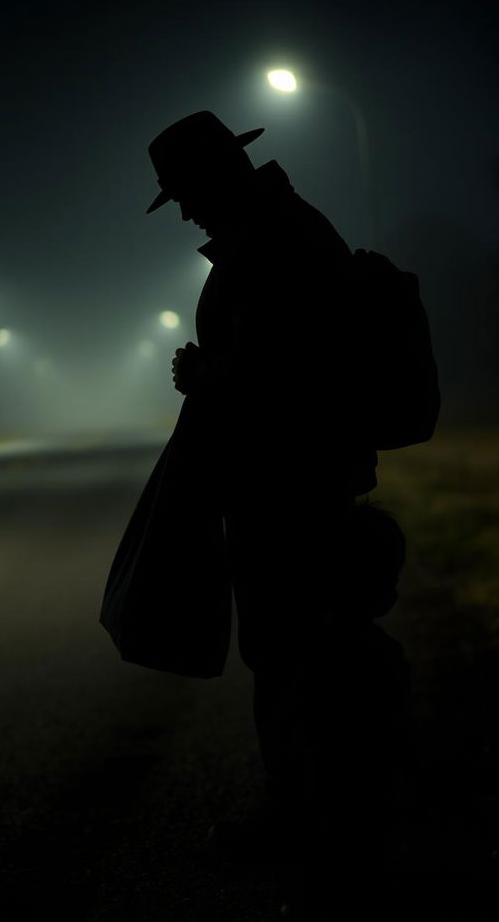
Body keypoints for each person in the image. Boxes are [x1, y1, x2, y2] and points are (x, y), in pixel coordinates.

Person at [144, 111, 381, 819]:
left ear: (220, 176)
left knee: (288, 647)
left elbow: (291, 371)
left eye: (185, 192)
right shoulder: (273, 232)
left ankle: (311, 809)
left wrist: (207, 375)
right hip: (290, 476)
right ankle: (322, 799)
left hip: (291, 482)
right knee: (293, 645)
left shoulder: (277, 244)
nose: (184, 212)